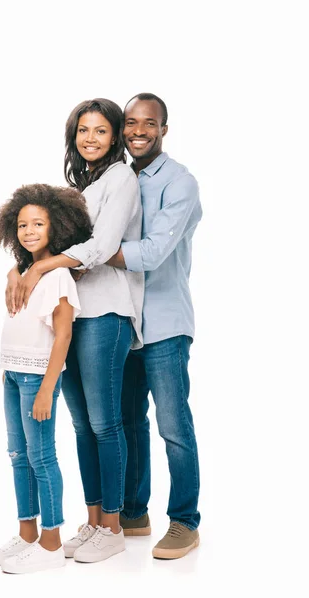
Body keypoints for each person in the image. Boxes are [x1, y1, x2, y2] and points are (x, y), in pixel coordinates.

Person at [5, 99, 144, 563]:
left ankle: (113, 525)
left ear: (115, 136)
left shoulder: (121, 178)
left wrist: (41, 265)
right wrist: (19, 268)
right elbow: (51, 243)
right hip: (75, 316)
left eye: (101, 131)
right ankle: (92, 522)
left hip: (106, 314)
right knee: (82, 424)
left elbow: (102, 247)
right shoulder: (79, 187)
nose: (90, 138)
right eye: (83, 130)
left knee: (106, 423)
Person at [107, 93, 202, 559]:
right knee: (127, 423)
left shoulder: (180, 182)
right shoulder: (117, 179)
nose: (138, 131)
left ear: (164, 129)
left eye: (149, 123)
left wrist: (92, 253)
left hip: (164, 324)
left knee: (173, 426)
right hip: (123, 323)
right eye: (130, 123)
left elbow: (152, 252)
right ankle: (132, 512)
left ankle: (185, 522)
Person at [0, 183, 92, 574]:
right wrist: (8, 370)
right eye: (23, 225)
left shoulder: (58, 275)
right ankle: (26, 534)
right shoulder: (23, 271)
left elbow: (63, 334)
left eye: (38, 224)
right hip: (12, 373)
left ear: (56, 227)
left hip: (36, 379)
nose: (29, 231)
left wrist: (48, 388)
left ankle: (49, 543)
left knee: (41, 457)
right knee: (18, 455)